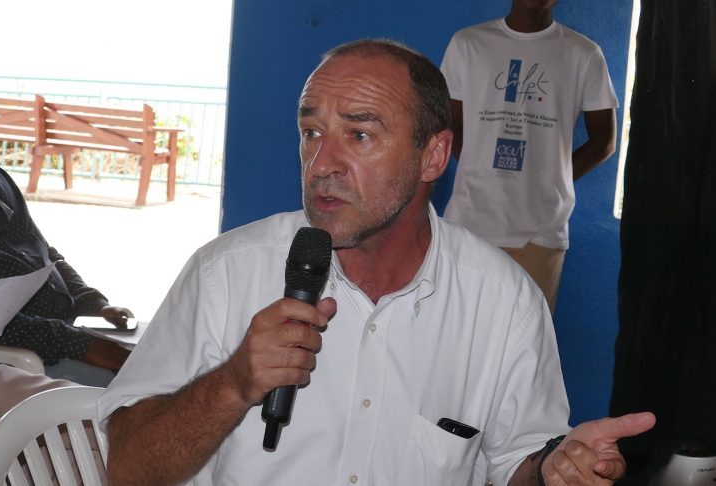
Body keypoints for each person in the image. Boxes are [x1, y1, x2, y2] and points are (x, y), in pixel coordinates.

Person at [98, 39, 652, 485]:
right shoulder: (224, 274)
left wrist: (554, 470)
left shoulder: (503, 301)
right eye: (311, 132)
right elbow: (126, 469)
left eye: (359, 134)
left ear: (433, 156)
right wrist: (232, 384)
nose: (321, 163)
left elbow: (516, 465)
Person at [440, 0, 618, 312]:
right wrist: (479, 167)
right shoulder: (468, 44)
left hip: (541, 235)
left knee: (528, 338)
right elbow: (450, 125)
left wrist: (551, 180)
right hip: (469, 225)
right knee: (457, 331)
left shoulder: (584, 54)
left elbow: (605, 142)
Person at [0, 79, 133, 386]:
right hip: (28, 357)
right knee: (147, 392)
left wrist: (94, 304)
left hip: (68, 331)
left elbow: (47, 255)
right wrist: (84, 346)